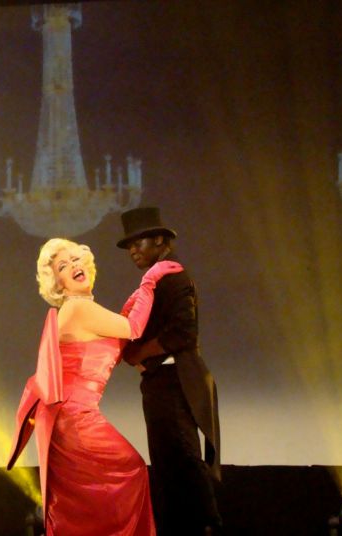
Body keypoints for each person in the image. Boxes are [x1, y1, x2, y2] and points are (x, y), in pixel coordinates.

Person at [7, 238, 183, 536]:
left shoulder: (84, 310)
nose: (73, 265)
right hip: (74, 417)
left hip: (69, 417)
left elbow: (119, 333)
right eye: (63, 266)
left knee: (89, 498)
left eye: (75, 259)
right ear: (58, 284)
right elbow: (132, 329)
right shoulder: (77, 308)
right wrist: (149, 282)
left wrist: (136, 296)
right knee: (131, 470)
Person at [117, 207, 222, 536]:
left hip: (175, 380)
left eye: (139, 242)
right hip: (159, 381)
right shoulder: (155, 279)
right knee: (167, 462)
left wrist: (139, 353)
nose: (133, 250)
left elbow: (183, 333)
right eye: (129, 245)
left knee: (183, 456)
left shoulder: (173, 276)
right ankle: (185, 526)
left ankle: (207, 525)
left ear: (160, 240)